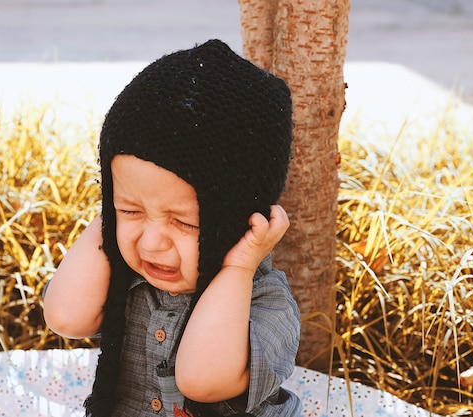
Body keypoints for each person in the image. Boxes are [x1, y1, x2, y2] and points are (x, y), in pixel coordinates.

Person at [43, 39, 301, 417]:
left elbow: (203, 380)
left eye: (184, 222)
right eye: (129, 210)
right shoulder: (126, 278)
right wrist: (111, 215)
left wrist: (237, 268)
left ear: (238, 219)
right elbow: (66, 317)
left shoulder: (264, 302)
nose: (150, 242)